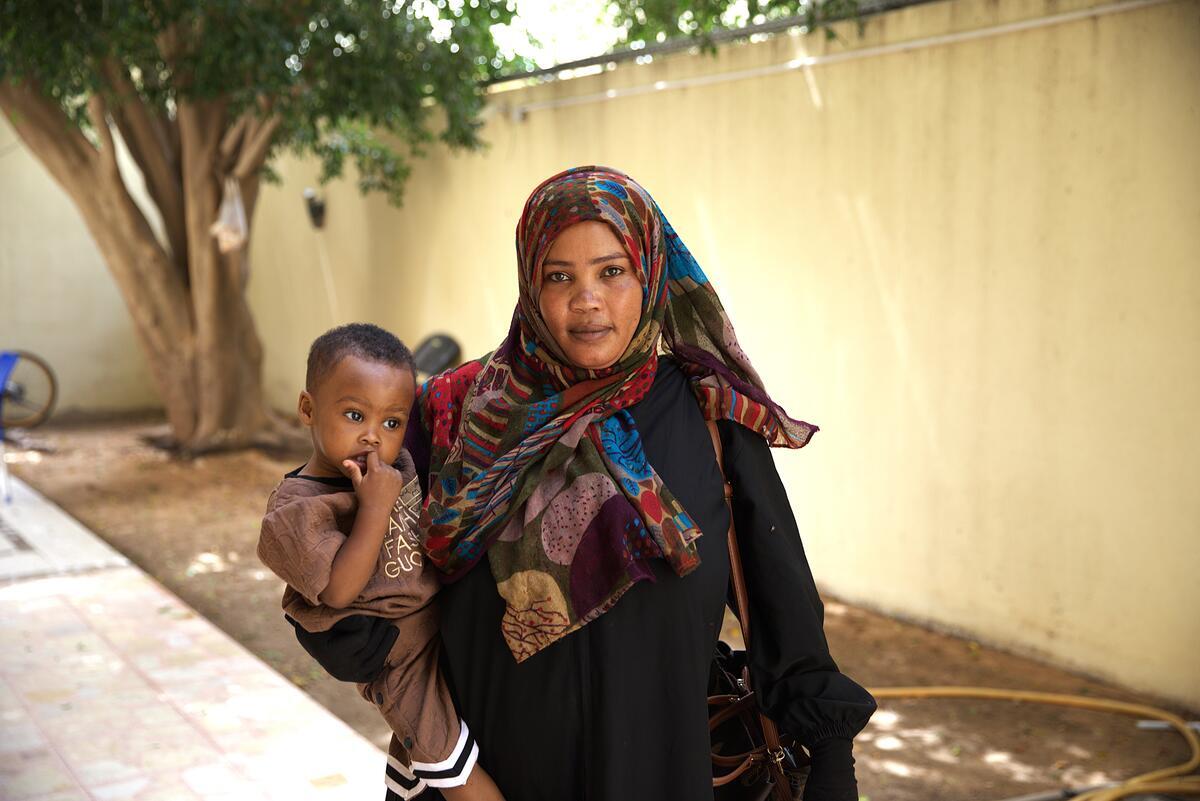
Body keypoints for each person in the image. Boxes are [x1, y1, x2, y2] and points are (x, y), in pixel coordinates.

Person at [313, 167, 877, 800]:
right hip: (484, 786)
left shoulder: (709, 415)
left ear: (650, 273)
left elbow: (783, 613)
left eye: (612, 271)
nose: (587, 300)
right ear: (530, 283)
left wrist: (831, 758)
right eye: (560, 276)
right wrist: (451, 766)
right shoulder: (451, 414)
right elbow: (350, 585)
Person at [256, 323, 504, 801]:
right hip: (400, 661)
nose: (373, 437)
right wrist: (373, 508)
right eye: (354, 415)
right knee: (452, 768)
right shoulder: (295, 512)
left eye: (392, 423)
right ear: (308, 409)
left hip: (445, 625)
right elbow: (338, 591)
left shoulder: (397, 465)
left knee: (432, 763)